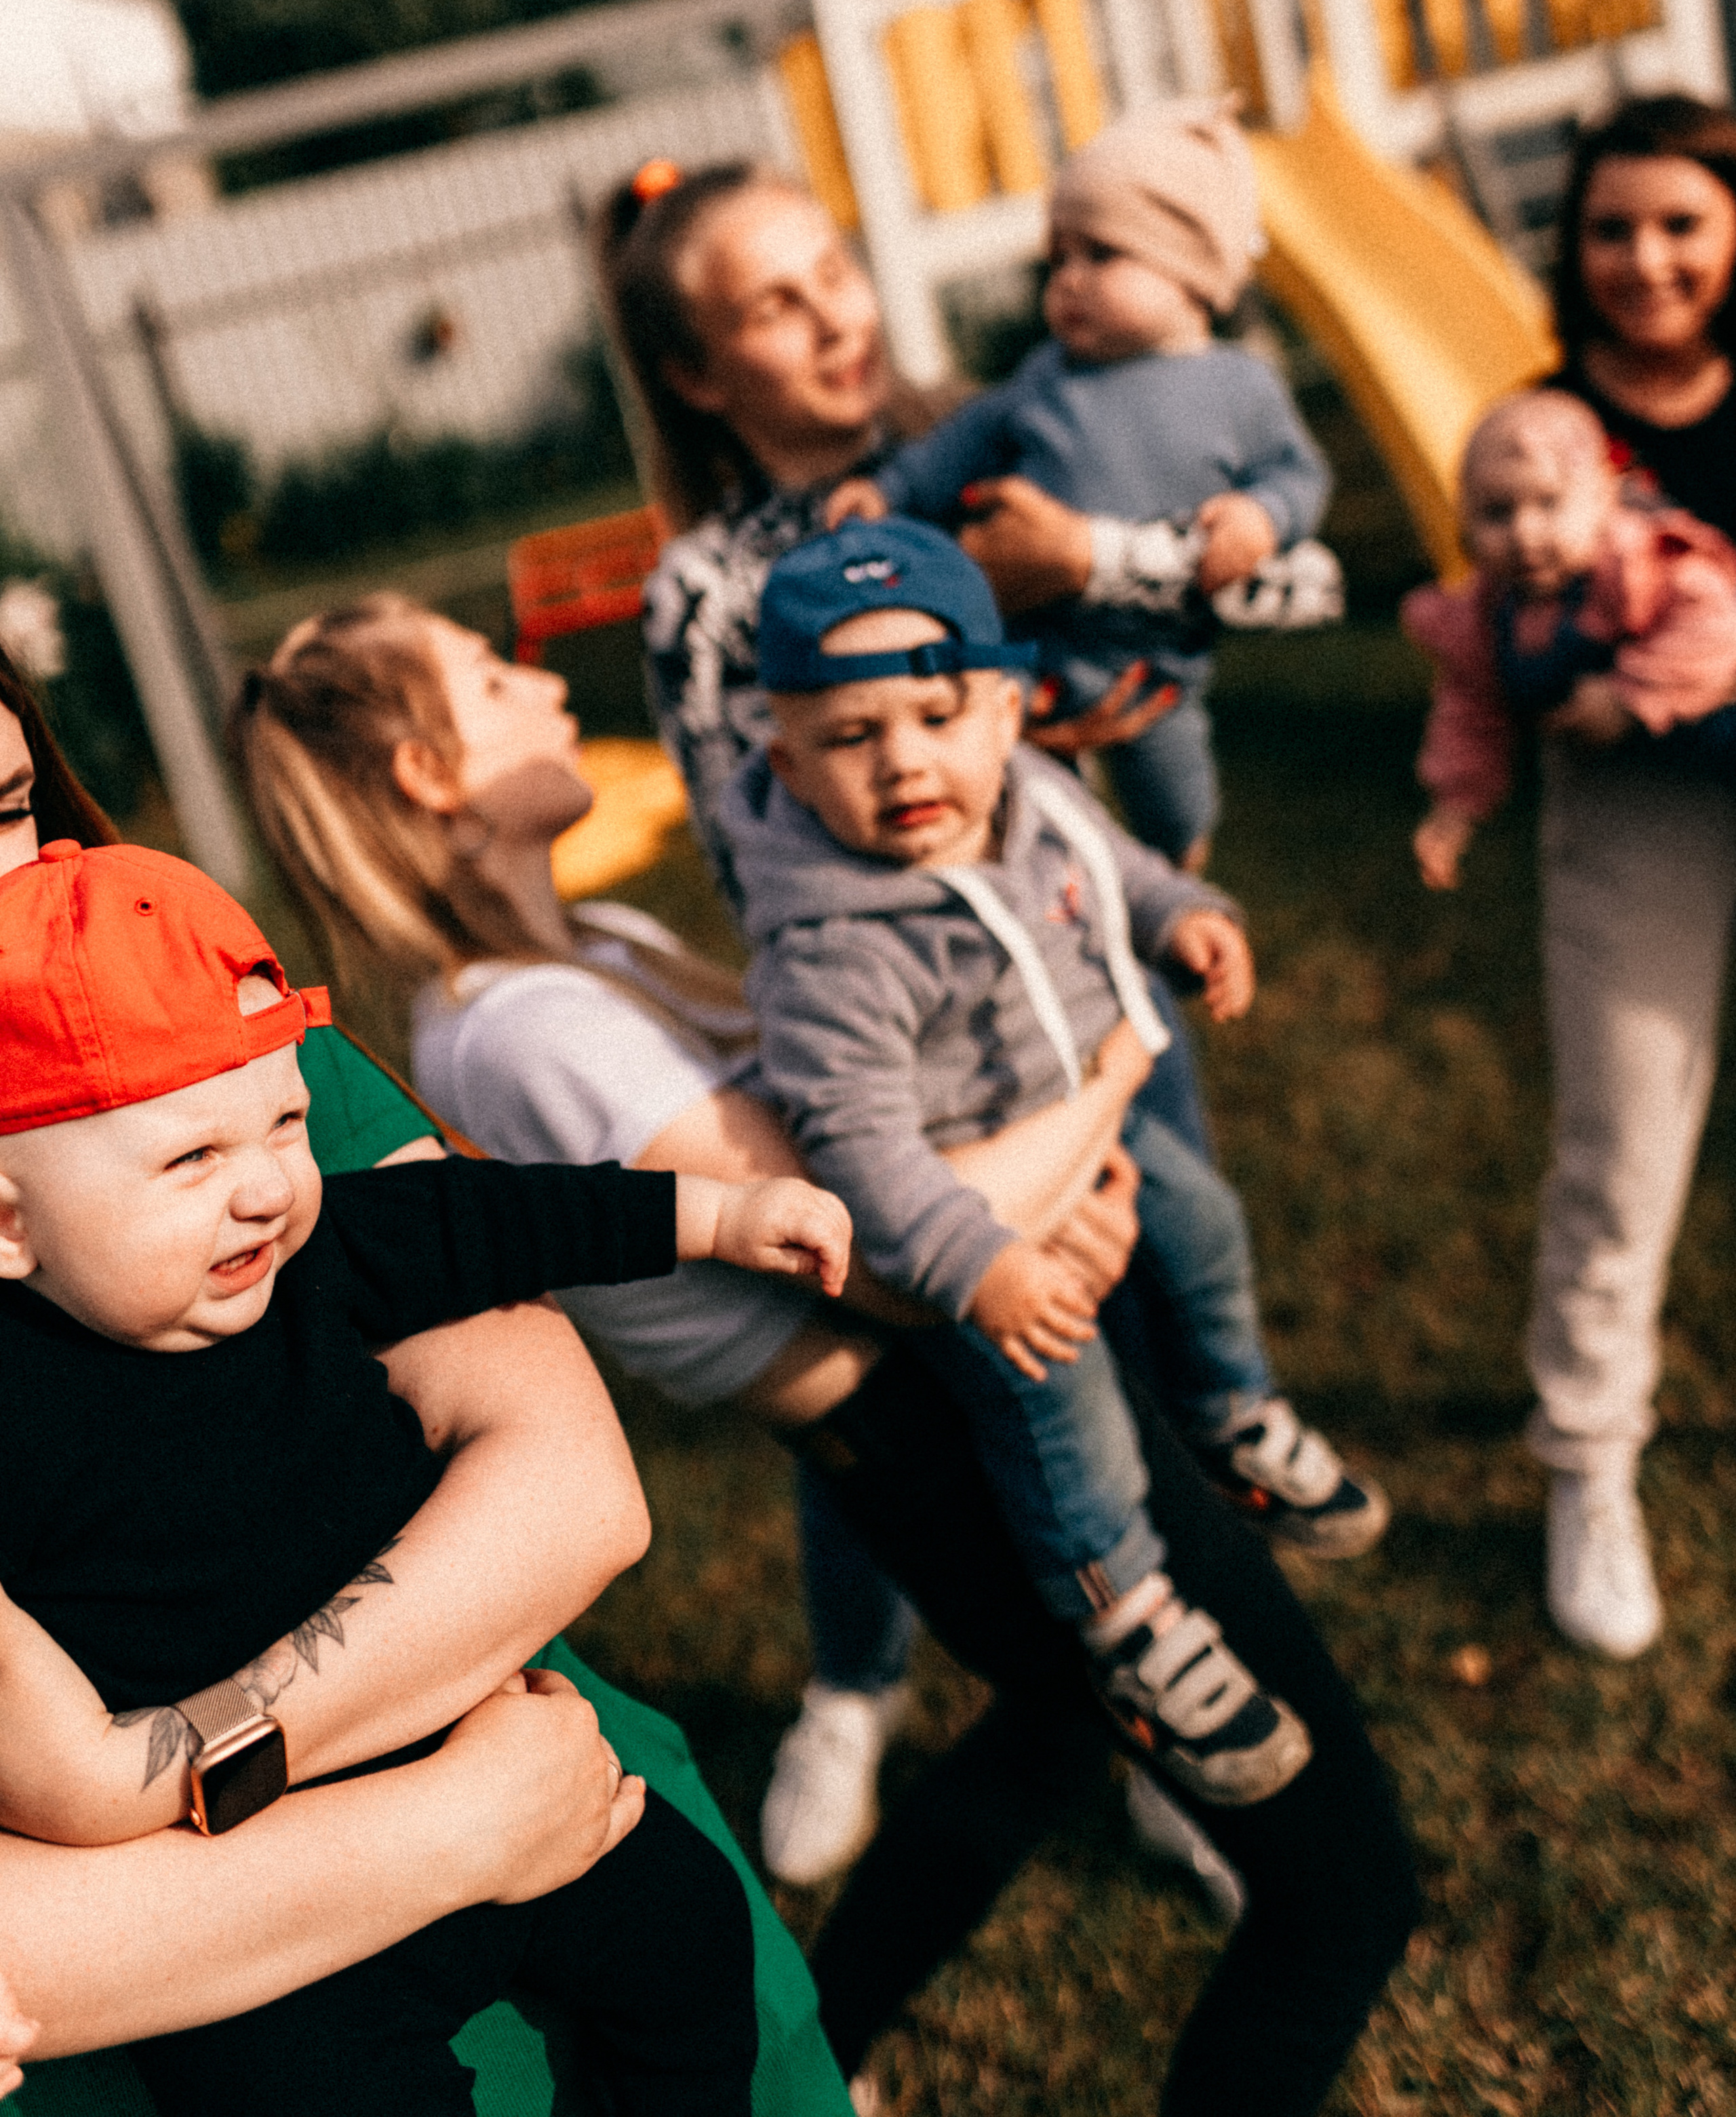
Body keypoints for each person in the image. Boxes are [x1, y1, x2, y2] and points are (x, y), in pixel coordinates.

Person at [230, 589, 1422, 2112]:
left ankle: (830, 2050)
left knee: (1058, 1731)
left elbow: (904, 1169)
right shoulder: (522, 1029)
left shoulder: (592, 944)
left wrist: (1042, 1219)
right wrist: (1110, 1084)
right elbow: (868, 1247)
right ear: (423, 771)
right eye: (487, 673)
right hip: (940, 1434)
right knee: (1343, 1892)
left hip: (951, 1406)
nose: (541, 682)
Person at [0, 640, 861, 2117]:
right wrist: (442, 1825)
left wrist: (161, 1775)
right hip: (237, 2010)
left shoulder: (202, 1050)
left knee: (689, 1980)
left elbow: (568, 1492)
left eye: (7, 805)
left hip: (551, 1792)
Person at [610, 153, 1269, 1871]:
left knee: (1130, 1319)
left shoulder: (1001, 444)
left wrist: (1100, 618)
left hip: (1081, 962)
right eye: (772, 298)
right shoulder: (707, 586)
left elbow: (1161, 635)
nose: (835, 307)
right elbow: (767, 841)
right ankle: (859, 1678)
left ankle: (1160, 1718)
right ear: (697, 372)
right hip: (897, 1035)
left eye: (833, 261)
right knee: (924, 1361)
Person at [827, 102, 1341, 870]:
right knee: (1014, 788)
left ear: (1191, 272)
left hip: (1151, 663)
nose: (1067, 280)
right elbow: (964, 440)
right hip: (1036, 639)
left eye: (1101, 255)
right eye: (1057, 258)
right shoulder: (1047, 378)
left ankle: (1176, 868)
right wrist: (890, 489)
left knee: (1171, 790)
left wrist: (1262, 517)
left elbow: (1300, 474)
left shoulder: (1240, 387)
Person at [1507, 92, 1736, 1660]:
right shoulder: (1543, 429)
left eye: (1680, 223)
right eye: (1609, 227)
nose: (1643, 260)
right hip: (1638, 814)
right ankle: (1586, 1463)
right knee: (1622, 1145)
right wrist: (1572, 679)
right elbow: (1490, 631)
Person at [1405, 390, 1736, 890]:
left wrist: (1629, 694)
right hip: (1635, 790)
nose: (1525, 532)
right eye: (1497, 513)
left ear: (1605, 500)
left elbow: (1715, 621)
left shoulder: (1638, 564)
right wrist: (1456, 805)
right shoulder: (1486, 614)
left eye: (1550, 502)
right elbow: (1473, 703)